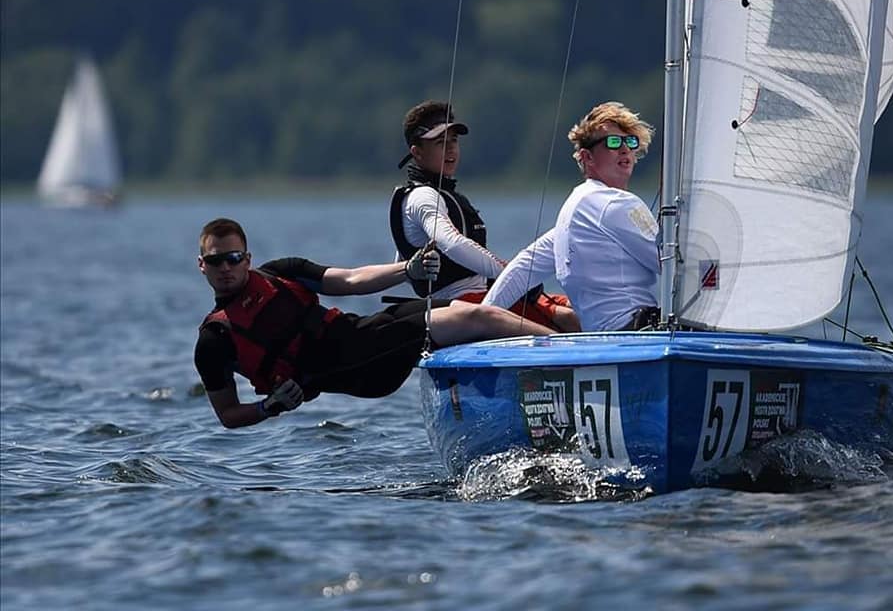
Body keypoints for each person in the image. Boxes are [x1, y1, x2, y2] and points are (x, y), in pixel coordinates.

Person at [194, 218, 554, 429]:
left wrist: (407, 269)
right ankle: (568, 350)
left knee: (468, 312)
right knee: (475, 317)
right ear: (202, 265)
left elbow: (351, 279)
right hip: (358, 368)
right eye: (216, 261)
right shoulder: (214, 340)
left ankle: (545, 362)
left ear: (247, 259)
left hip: (363, 332)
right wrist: (268, 408)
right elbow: (227, 414)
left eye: (233, 258)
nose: (225, 268)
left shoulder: (280, 274)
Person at [390, 99, 581, 332]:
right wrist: (512, 275)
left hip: (483, 295)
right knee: (570, 319)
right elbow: (450, 243)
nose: (451, 149)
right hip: (461, 305)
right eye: (441, 143)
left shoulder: (441, 195)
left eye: (454, 141)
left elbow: (403, 259)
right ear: (417, 152)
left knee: (576, 307)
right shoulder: (422, 198)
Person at [483, 101, 660, 332]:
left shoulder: (577, 209)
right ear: (587, 157)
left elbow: (524, 267)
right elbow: (671, 262)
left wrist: (481, 317)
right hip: (635, 334)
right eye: (613, 142)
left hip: (604, 338)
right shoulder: (615, 203)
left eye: (630, 142)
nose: (625, 149)